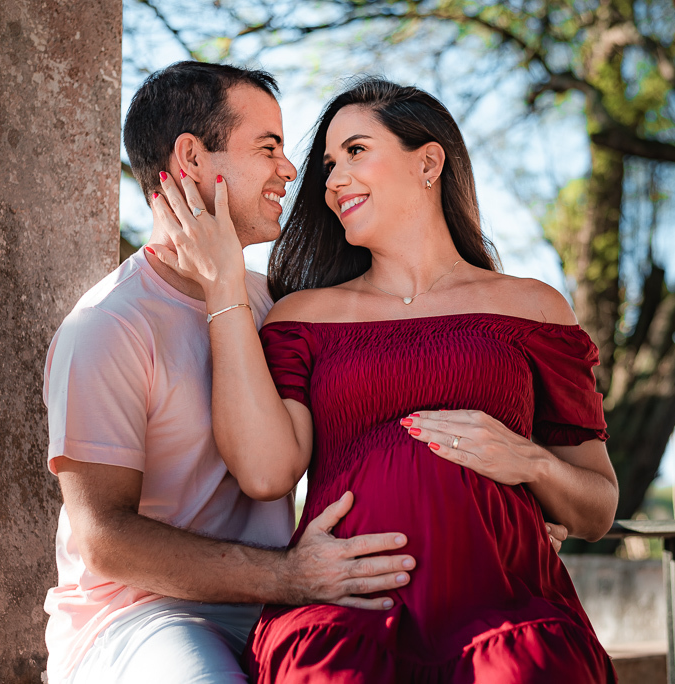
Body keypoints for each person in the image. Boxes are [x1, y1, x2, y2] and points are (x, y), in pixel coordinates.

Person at [151, 77, 619, 682]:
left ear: (427, 162)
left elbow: (597, 508)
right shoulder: (302, 316)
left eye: (356, 151)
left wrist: (531, 463)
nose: (332, 178)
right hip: (347, 613)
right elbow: (265, 472)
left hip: (504, 607)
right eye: (327, 164)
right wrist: (223, 286)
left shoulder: (533, 307)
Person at [41, 63, 424, 684]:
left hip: (279, 606)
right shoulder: (108, 326)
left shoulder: (277, 303)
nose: (290, 169)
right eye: (267, 147)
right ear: (191, 157)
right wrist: (293, 575)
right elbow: (103, 538)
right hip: (138, 624)